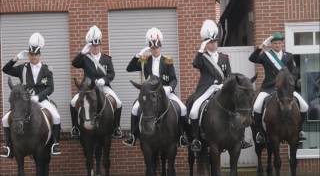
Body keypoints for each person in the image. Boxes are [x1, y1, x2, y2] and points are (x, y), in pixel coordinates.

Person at [188, 20, 252, 152]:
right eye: (210, 42)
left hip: (222, 89)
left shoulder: (224, 57)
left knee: (238, 108)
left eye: (215, 42)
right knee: (194, 110)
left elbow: (228, 74)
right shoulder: (202, 57)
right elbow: (195, 64)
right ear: (206, 44)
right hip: (206, 89)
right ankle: (196, 139)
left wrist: (224, 85)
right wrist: (201, 49)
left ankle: (241, 138)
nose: (213, 44)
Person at [123, 27, 188, 147]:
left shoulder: (167, 61)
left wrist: (170, 88)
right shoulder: (145, 60)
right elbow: (129, 68)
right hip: (149, 93)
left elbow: (173, 79)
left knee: (183, 109)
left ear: (160, 46)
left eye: (157, 47)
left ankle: (181, 135)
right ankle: (133, 136)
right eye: (152, 48)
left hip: (166, 91)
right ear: (150, 48)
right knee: (135, 109)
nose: (155, 50)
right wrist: (138, 55)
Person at [1, 33, 61, 157]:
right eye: (31, 54)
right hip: (24, 101)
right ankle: (8, 146)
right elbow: (5, 69)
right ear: (28, 55)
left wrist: (39, 97)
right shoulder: (22, 68)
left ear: (40, 55)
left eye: (36, 54)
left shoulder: (47, 69)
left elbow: (51, 88)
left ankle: (55, 143)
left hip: (42, 99)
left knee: (56, 116)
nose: (34, 57)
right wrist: (16, 58)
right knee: (5, 119)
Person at [250, 32, 309, 143]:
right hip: (269, 88)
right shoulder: (266, 56)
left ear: (282, 44)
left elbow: (294, 72)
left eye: (279, 43)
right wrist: (262, 46)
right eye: (275, 43)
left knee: (305, 106)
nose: (277, 45)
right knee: (257, 107)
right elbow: (252, 58)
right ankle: (260, 133)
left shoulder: (289, 56)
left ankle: (299, 130)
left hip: (286, 90)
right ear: (271, 44)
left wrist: (291, 83)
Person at [70, 25, 123, 139]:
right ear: (90, 46)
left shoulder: (106, 59)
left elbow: (111, 74)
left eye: (97, 45)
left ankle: (116, 128)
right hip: (88, 88)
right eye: (93, 46)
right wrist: (82, 53)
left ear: (100, 45)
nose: (95, 48)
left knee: (118, 103)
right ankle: (75, 128)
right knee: (73, 102)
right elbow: (74, 64)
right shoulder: (85, 58)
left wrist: (104, 80)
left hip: (103, 87)